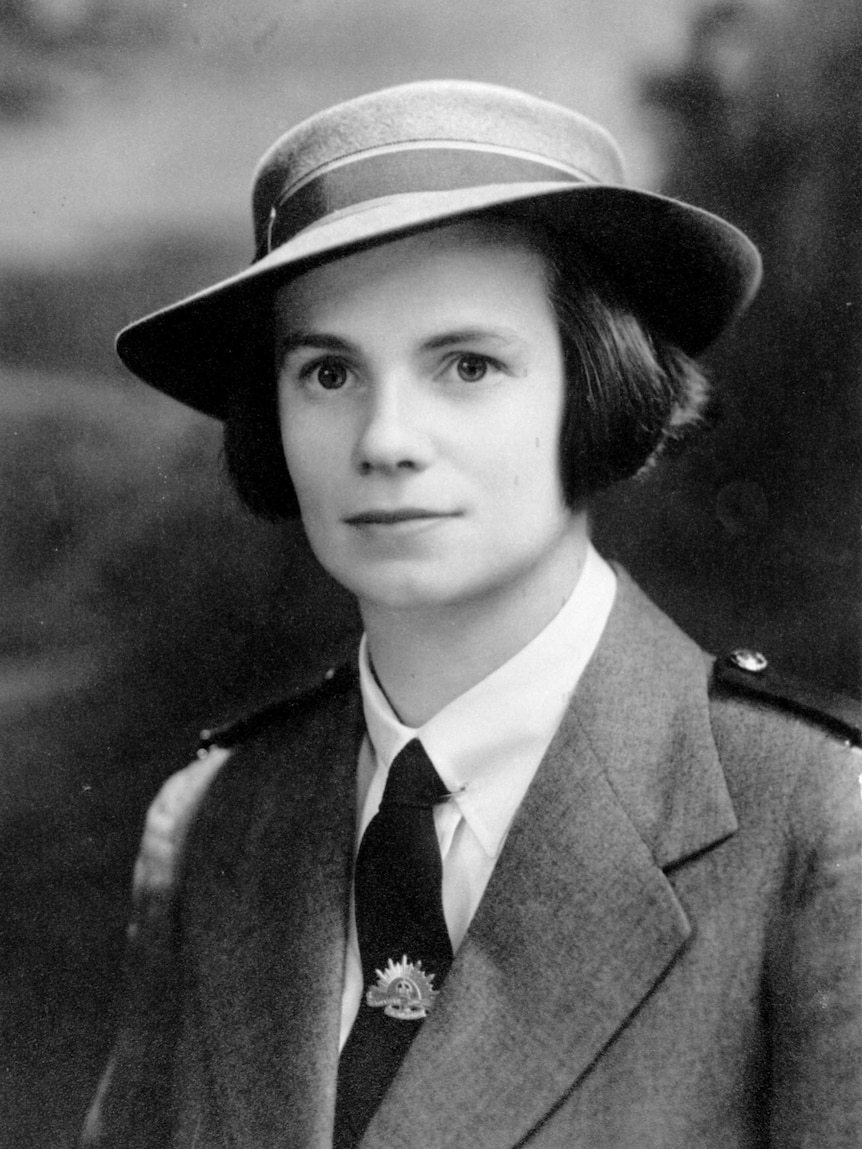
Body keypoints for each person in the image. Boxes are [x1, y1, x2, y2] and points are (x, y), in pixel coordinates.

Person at [81, 80, 861, 1149]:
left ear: (596, 392)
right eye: (327, 371)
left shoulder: (814, 818)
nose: (386, 438)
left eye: (467, 365)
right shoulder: (216, 817)